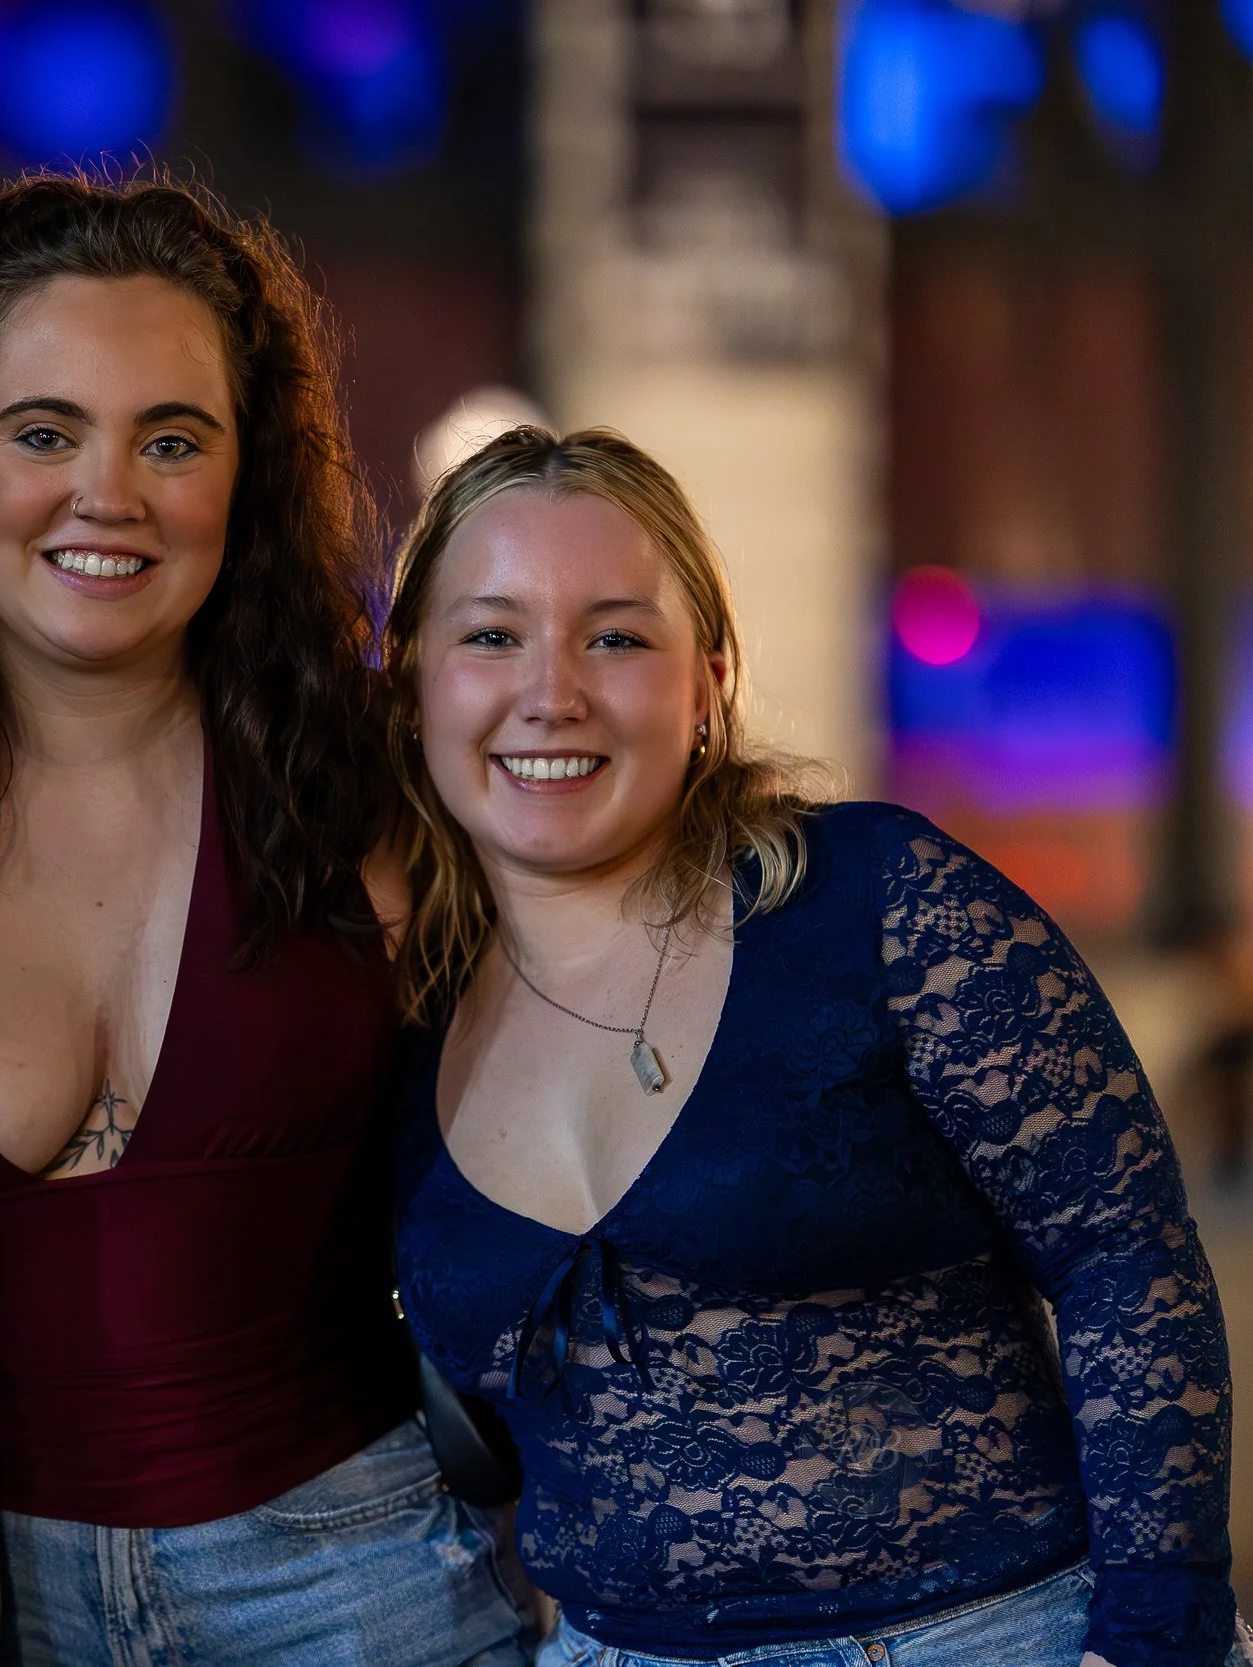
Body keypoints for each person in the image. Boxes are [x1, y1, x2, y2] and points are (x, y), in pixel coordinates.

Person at [0, 176, 534, 1666]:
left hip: (363, 1580)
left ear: (246, 476)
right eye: (42, 431)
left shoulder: (380, 779)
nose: (109, 492)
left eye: (173, 438)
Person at [381, 426, 1244, 1667]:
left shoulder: (881, 902)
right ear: (416, 678)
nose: (550, 689)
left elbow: (1124, 1255)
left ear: (709, 682)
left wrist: (1157, 1638)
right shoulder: (408, 1020)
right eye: (490, 634)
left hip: (984, 1639)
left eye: (616, 635)